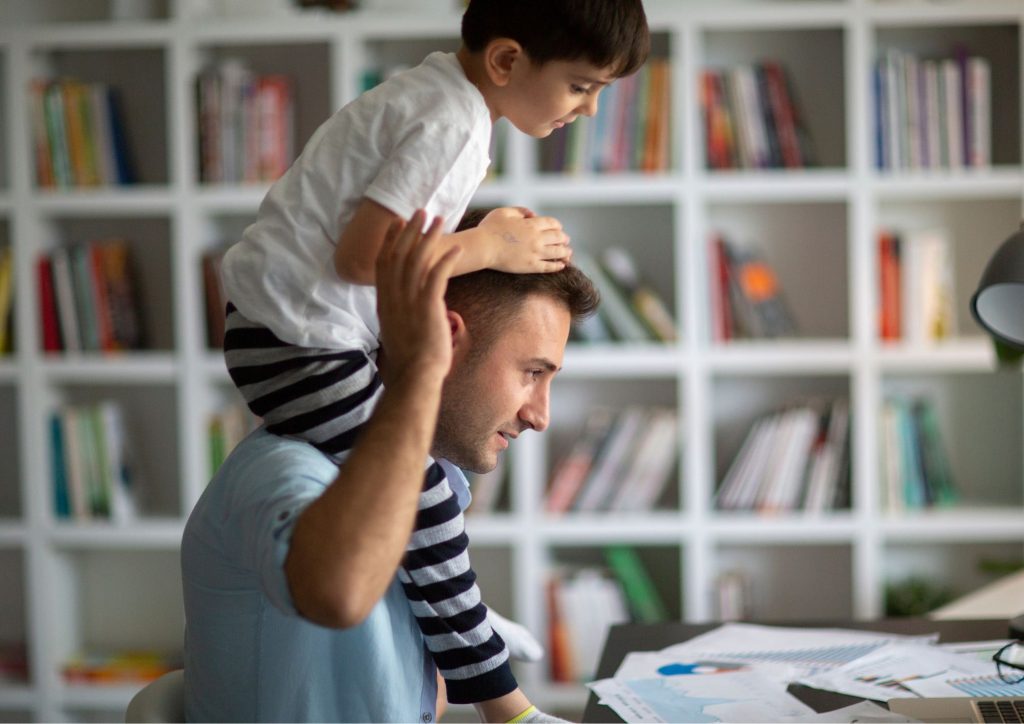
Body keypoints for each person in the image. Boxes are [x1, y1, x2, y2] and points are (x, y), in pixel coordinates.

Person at [216, 0, 649, 713]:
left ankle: (462, 620)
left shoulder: (433, 94)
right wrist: (488, 247)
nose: (592, 110)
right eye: (581, 85)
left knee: (435, 494)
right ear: (508, 61)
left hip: (283, 327)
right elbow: (364, 257)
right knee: (426, 499)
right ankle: (503, 700)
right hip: (296, 342)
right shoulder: (453, 124)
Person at [181, 210, 601, 722]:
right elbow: (337, 593)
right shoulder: (290, 475)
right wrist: (419, 369)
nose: (540, 416)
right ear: (442, 337)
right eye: (532, 372)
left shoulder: (424, 484)